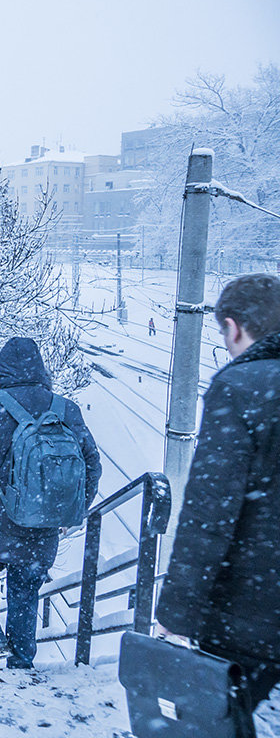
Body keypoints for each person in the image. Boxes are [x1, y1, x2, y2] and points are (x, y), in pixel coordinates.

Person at [155, 273, 280, 722]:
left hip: (251, 611)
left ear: (232, 328)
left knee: (223, 717)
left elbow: (209, 515)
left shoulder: (243, 388)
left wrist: (177, 611)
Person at [0, 337, 101, 669]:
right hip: (42, 523)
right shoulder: (65, 409)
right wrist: (74, 511)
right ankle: (22, 662)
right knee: (25, 585)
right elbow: (92, 465)